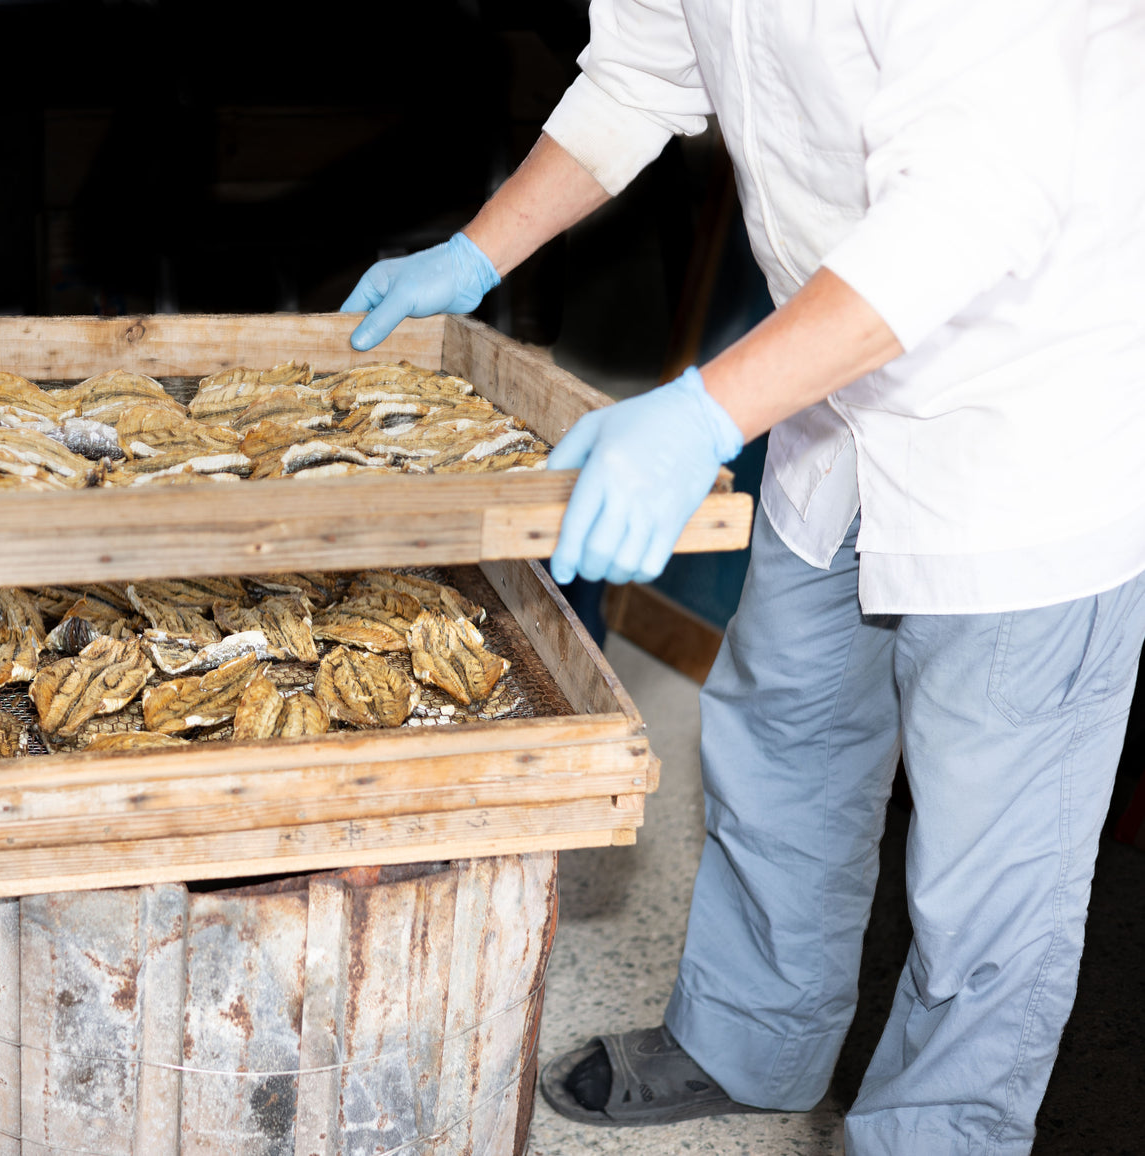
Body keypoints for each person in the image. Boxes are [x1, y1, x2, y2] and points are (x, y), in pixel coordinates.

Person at [339, 2, 1145, 1152]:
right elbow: (638, 74)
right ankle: (747, 1039)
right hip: (828, 380)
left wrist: (702, 412)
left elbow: (970, 205)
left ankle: (936, 1134)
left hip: (1024, 409)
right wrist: (478, 251)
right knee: (784, 734)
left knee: (988, 871)